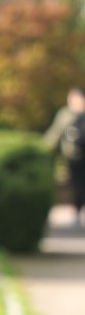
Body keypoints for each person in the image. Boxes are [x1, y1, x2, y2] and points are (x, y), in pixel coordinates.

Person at [43, 86, 85, 226]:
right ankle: (78, 212)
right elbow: (55, 134)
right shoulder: (65, 114)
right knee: (76, 185)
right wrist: (41, 149)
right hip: (72, 157)